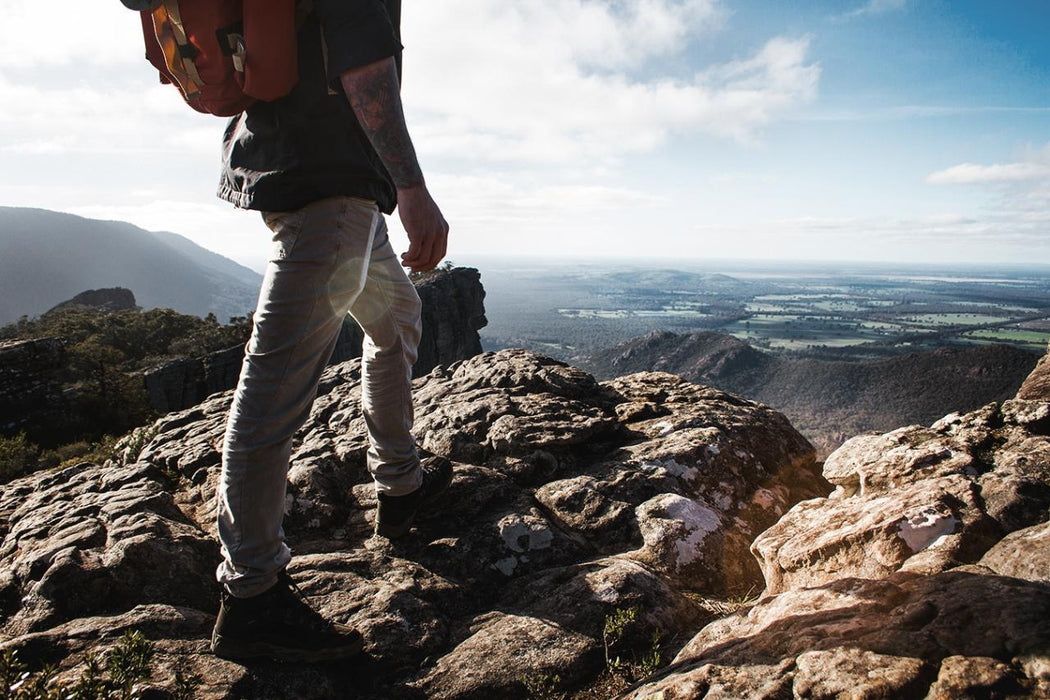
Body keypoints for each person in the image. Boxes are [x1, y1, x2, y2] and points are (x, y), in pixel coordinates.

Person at [208, 0, 452, 662]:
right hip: (331, 192)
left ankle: (400, 487)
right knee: (273, 390)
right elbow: (364, 72)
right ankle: (251, 594)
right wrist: (414, 190)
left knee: (397, 313)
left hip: (321, 181)